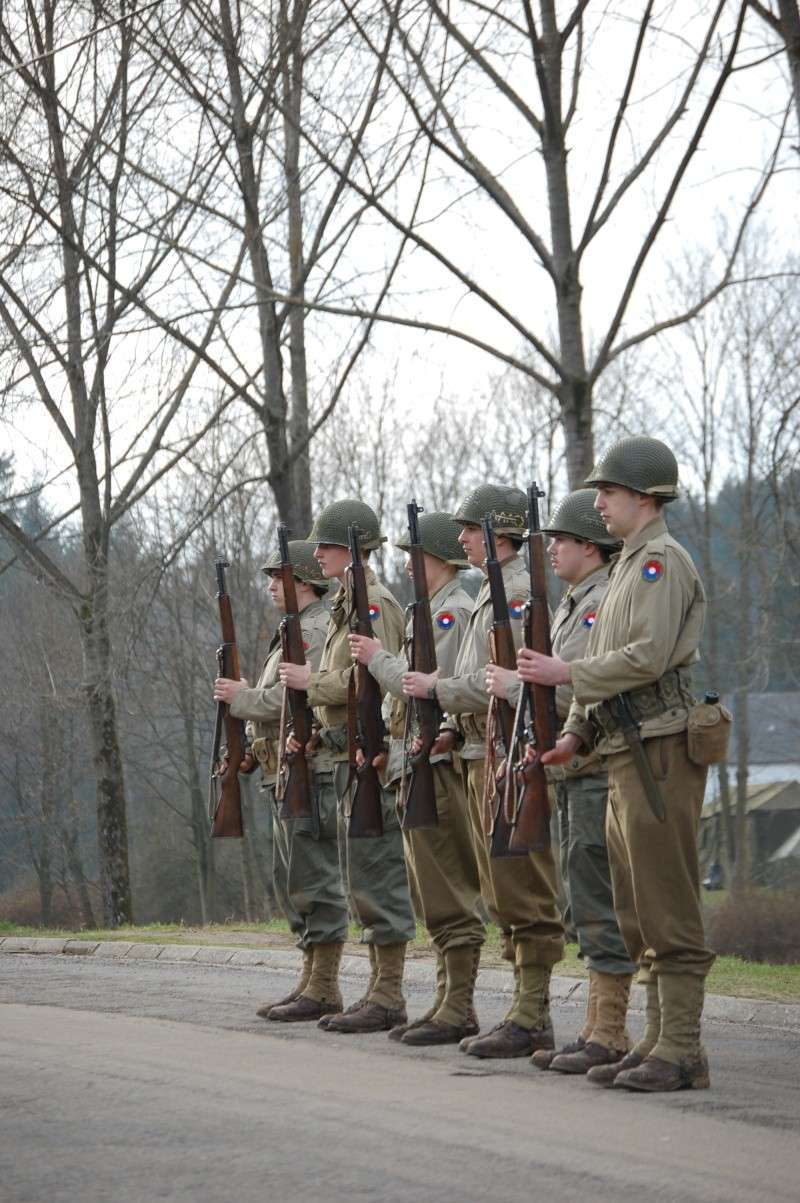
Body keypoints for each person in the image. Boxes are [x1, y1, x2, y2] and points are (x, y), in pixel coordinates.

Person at [517, 437, 713, 1092]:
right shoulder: (628, 564)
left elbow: (647, 656)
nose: (597, 502)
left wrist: (566, 672)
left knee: (667, 902)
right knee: (635, 908)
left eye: (608, 491)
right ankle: (657, 1038)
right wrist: (573, 731)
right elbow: (607, 657)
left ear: (644, 497)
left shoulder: (660, 563)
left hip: (660, 746)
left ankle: (682, 1045)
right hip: (625, 747)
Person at [403, 485, 564, 1059]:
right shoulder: (489, 596)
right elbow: (486, 681)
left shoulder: (516, 594)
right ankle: (520, 1008)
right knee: (501, 888)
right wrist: (452, 721)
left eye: (470, 529)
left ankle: (533, 1011)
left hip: (508, 758)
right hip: (480, 753)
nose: (463, 537)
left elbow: (501, 681)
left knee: (522, 885)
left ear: (498, 534)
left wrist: (438, 691)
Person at [486, 489, 637, 1074]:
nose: (550, 551)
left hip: (597, 769)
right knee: (582, 901)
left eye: (561, 541)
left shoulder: (598, 603)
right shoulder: (576, 602)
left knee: (599, 900)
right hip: (575, 769)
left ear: (590, 548)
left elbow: (577, 685)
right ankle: (599, 1027)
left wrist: (515, 688)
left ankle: (611, 1029)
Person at [279, 499, 416, 1034]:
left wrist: (305, 683)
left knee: (379, 873)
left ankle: (388, 992)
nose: (317, 553)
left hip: (370, 756)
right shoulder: (345, 606)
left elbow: (375, 681)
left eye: (328, 544)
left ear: (355, 549)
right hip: (344, 754)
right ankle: (369, 989)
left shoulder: (375, 604)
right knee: (361, 874)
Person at [349, 510, 483, 1045]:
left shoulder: (450, 612)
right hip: (415, 761)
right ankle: (448, 999)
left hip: (439, 766)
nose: (406, 564)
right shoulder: (432, 609)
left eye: (414, 555)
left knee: (448, 887)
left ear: (439, 559)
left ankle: (460, 1004)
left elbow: (421, 685)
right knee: (431, 891)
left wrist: (377, 659)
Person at [213, 540, 349, 1022]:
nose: (271, 586)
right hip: (281, 769)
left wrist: (241, 697)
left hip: (306, 771)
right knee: (292, 877)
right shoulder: (292, 629)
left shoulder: (313, 629)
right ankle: (312, 978)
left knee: (313, 877)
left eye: (280, 579)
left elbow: (289, 700)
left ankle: (325, 983)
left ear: (305, 583)